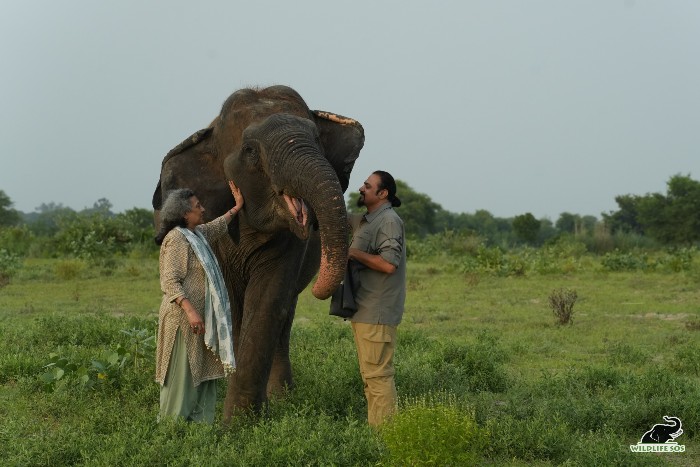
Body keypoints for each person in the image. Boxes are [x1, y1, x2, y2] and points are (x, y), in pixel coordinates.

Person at [154, 181, 243, 423]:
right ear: (184, 214)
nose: (202, 209)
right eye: (197, 206)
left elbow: (217, 226)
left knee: (203, 375)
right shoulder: (177, 240)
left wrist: (237, 207)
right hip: (184, 322)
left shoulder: (197, 235)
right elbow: (170, 281)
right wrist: (191, 312)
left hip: (202, 323)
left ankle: (200, 432)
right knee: (182, 377)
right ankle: (173, 430)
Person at [347, 170, 406, 426]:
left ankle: (386, 439)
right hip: (365, 310)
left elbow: (388, 265)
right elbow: (339, 219)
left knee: (378, 376)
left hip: (377, 311)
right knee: (370, 376)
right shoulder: (368, 220)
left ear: (383, 194)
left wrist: (352, 253)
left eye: (368, 186)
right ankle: (378, 434)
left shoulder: (389, 221)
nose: (362, 188)